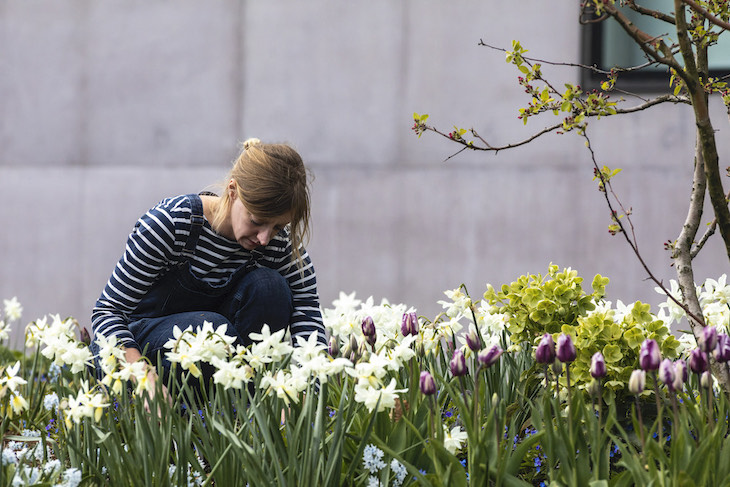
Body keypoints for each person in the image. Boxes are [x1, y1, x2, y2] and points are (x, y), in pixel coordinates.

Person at [90, 138, 326, 396]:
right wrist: (144, 379)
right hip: (143, 349)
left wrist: (306, 395)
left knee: (269, 287)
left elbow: (307, 313)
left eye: (278, 226)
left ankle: (250, 406)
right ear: (233, 190)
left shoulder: (278, 244)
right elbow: (107, 312)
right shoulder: (172, 224)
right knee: (211, 332)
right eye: (257, 221)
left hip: (218, 352)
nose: (264, 238)